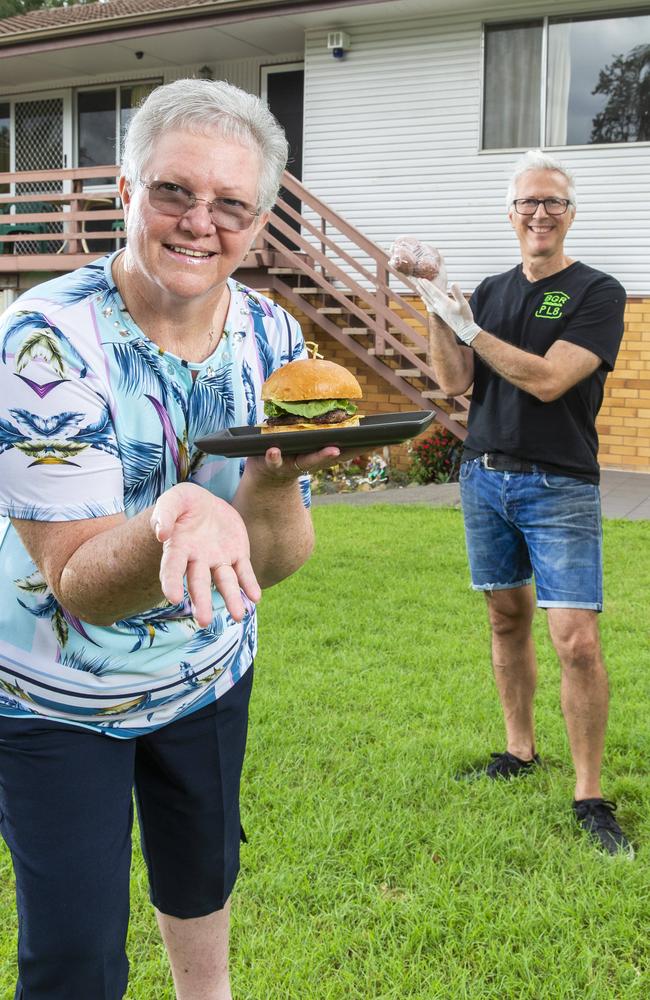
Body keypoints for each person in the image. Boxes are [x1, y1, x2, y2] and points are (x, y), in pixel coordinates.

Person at [0, 78, 353, 1000]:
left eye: (231, 204)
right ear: (126, 191)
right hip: (56, 695)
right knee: (75, 958)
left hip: (209, 672)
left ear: (260, 220)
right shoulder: (44, 341)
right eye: (173, 192)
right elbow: (77, 579)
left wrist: (268, 484)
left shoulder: (274, 336)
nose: (201, 222)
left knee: (202, 880)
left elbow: (271, 562)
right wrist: (174, 513)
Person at [415, 149, 631, 857]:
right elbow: (455, 384)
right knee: (505, 619)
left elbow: (546, 380)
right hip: (485, 477)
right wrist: (435, 310)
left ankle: (591, 793)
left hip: (559, 483)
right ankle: (519, 750)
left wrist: (471, 327)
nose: (540, 213)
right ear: (510, 214)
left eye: (554, 203)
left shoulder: (597, 292)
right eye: (527, 202)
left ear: (570, 215)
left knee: (576, 638)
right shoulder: (491, 288)